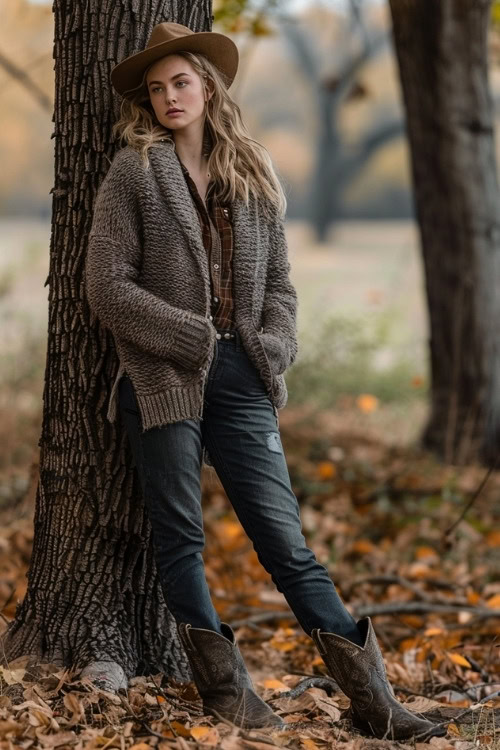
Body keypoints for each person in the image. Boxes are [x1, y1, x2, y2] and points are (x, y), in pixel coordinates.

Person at [85, 21, 448, 742]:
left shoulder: (252, 170)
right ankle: (227, 694)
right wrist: (190, 336)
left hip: (243, 375)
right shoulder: (134, 170)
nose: (168, 97)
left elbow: (279, 284)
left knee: (286, 544)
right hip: (161, 375)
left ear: (209, 86)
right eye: (156, 89)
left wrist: (271, 347)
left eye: (180, 82)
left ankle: (375, 703)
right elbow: (106, 286)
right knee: (180, 537)